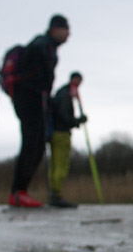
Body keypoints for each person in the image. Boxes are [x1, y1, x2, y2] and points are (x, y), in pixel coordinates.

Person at [8, 14, 70, 208]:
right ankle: (18, 192)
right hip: (30, 97)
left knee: (37, 143)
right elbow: (38, 68)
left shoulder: (48, 47)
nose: (69, 34)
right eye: (65, 29)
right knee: (32, 142)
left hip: (33, 97)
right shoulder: (43, 44)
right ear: (54, 29)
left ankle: (19, 192)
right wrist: (43, 83)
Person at [46, 71, 87, 208]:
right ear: (75, 80)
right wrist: (77, 121)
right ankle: (56, 195)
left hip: (55, 133)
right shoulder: (65, 95)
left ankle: (53, 194)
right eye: (79, 81)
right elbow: (63, 115)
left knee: (55, 164)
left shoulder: (61, 93)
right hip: (62, 133)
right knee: (61, 164)